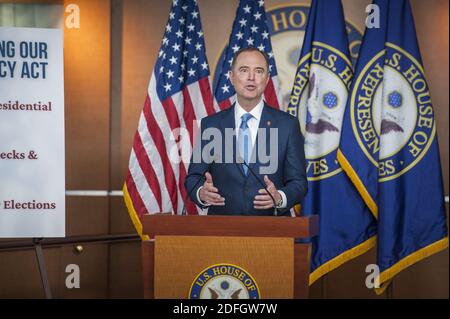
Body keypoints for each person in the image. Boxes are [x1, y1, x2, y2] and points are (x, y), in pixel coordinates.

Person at [185, 47, 307, 216]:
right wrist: (201, 193)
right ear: (231, 77)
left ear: (266, 78)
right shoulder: (211, 125)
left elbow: (299, 183)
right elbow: (193, 178)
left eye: (259, 71)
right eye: (243, 70)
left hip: (272, 231)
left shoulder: (288, 125)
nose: (251, 77)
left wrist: (279, 197)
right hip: (221, 231)